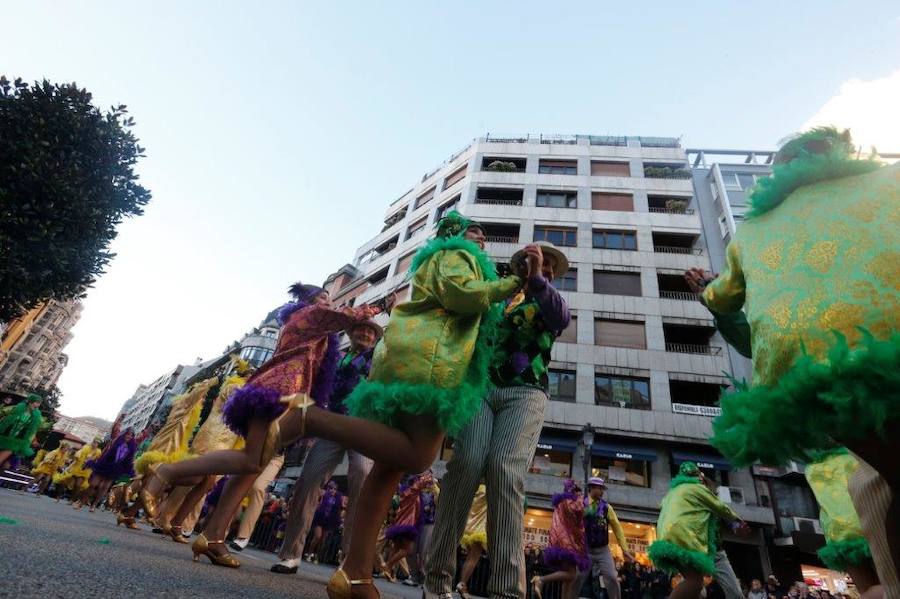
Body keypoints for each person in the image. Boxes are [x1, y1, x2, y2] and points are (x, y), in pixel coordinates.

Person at [698, 127, 899, 586]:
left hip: (806, 379)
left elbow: (724, 297)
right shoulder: (891, 180)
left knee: (877, 485)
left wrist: (707, 293)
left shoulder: (752, 231)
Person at [139, 281, 378, 567]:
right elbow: (351, 316)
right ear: (310, 301)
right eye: (324, 297)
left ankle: (214, 537)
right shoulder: (308, 315)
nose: (328, 302)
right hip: (279, 390)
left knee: (253, 467)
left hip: (287, 393)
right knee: (252, 460)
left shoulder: (313, 323)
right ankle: (167, 472)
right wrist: (380, 305)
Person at [425, 239, 571, 599]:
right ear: (515, 267)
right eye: (532, 262)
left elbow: (561, 319)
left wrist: (538, 280)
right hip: (481, 390)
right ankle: (436, 582)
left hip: (526, 393)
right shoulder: (495, 297)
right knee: (466, 465)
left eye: (548, 265)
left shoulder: (549, 299)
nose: (541, 267)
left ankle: (507, 591)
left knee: (505, 469)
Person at [271, 318, 382, 574]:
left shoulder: (379, 357)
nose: (365, 333)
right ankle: (290, 554)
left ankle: (348, 560)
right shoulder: (336, 357)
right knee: (307, 481)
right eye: (360, 329)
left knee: (363, 479)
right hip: (331, 424)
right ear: (351, 333)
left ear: (376, 338)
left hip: (363, 425)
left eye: (370, 331)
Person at [648, 462, 746, 599]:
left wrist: (736, 525)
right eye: (699, 479)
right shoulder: (688, 495)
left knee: (734, 594)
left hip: (715, 553)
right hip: (695, 549)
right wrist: (737, 520)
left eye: (703, 481)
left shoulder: (700, 496)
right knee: (696, 586)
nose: (701, 483)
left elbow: (724, 513)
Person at [574, 477, 633, 599]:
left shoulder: (607, 508)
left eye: (602, 489)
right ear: (591, 488)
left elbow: (617, 528)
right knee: (577, 578)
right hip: (586, 550)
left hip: (603, 551)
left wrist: (625, 549)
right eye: (599, 488)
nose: (601, 491)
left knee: (612, 577)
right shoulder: (580, 505)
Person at [532, 480, 590, 599]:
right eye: (578, 491)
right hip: (567, 543)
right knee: (571, 575)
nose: (580, 494)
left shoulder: (561, 502)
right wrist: (584, 500)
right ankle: (541, 580)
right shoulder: (571, 502)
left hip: (561, 542)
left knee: (567, 581)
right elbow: (581, 511)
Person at [382, 471, 436, 581]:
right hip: (408, 525)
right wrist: (430, 476)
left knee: (396, 548)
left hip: (401, 523)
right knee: (408, 550)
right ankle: (387, 565)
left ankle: (389, 571)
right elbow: (425, 481)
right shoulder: (413, 491)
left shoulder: (407, 491)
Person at [83, 429, 138, 515]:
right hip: (106, 464)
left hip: (116, 469)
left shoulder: (132, 447)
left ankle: (94, 505)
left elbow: (129, 460)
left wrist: (129, 469)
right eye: (128, 434)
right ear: (124, 435)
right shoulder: (117, 441)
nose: (129, 436)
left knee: (105, 487)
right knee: (93, 484)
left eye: (131, 435)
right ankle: (82, 501)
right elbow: (107, 452)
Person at [455, 483, 488, 599]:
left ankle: (462, 585)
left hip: (469, 528)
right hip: (479, 530)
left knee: (469, 558)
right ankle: (462, 584)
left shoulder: (474, 489)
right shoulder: (487, 490)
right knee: (473, 559)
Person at [302, 480, 345, 563]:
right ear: (328, 488)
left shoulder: (339, 498)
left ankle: (317, 556)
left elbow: (341, 508)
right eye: (331, 488)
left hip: (329, 520)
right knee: (317, 536)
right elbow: (316, 501)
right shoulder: (324, 494)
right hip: (320, 518)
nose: (332, 490)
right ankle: (309, 553)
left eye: (334, 489)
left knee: (323, 540)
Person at [0, 394, 44, 469]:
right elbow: (3, 414)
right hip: (3, 436)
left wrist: (33, 440)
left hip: (15, 442)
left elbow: (33, 430)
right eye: (36, 402)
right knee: (6, 465)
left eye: (39, 403)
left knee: (5, 462)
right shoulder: (17, 408)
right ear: (30, 402)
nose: (37, 405)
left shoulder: (36, 417)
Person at [54, 438, 101, 507]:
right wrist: (76, 456)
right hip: (76, 467)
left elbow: (95, 460)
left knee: (78, 485)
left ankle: (72, 500)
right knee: (64, 481)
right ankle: (58, 497)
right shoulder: (85, 448)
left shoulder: (98, 452)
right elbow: (78, 455)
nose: (94, 444)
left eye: (96, 443)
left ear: (98, 445)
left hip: (85, 471)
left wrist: (90, 462)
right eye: (94, 442)